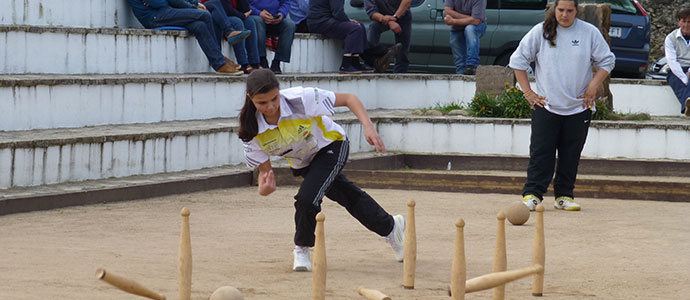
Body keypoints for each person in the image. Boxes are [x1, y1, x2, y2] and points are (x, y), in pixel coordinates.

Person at [238, 69, 405, 271]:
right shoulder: (250, 130)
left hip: (332, 145)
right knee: (349, 196)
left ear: (279, 91)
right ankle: (391, 227)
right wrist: (264, 189)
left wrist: (368, 126)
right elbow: (265, 174)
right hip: (304, 163)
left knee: (307, 199)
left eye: (274, 99)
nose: (271, 107)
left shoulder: (302, 99)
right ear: (250, 99)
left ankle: (301, 249)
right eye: (262, 103)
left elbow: (350, 99)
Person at [508, 0, 615, 211]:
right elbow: (517, 61)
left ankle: (564, 196)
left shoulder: (589, 32)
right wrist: (528, 93)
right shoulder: (540, 32)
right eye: (560, 10)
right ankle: (533, 194)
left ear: (576, 11)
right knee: (541, 152)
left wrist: (594, 86)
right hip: (546, 105)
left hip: (579, 106)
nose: (564, 15)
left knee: (571, 153)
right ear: (553, 10)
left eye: (569, 11)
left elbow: (607, 61)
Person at [127, 0, 243, 74]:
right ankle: (219, 62)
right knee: (205, 15)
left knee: (199, 26)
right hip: (154, 17)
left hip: (165, 11)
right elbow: (158, 3)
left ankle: (218, 58)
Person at [307, 0, 401, 73]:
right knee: (354, 28)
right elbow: (337, 12)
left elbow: (336, 13)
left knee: (360, 26)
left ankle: (356, 63)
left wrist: (347, 20)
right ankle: (346, 64)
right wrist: (347, 20)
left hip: (320, 21)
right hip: (321, 22)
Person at [203, 0, 262, 73]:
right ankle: (243, 63)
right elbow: (226, 9)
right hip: (216, 14)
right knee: (237, 22)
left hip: (230, 14)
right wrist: (242, 16)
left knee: (250, 21)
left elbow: (246, 9)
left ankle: (254, 62)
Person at [248, 0, 296, 74]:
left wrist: (281, 14)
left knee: (290, 25)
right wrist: (259, 13)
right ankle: (262, 59)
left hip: (274, 18)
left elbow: (286, 2)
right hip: (255, 16)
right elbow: (244, 4)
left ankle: (277, 62)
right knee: (258, 21)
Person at [364, 0, 412, 73]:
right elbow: (372, 12)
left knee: (403, 52)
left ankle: (399, 76)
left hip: (402, 15)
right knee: (373, 28)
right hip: (382, 17)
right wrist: (389, 21)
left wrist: (395, 17)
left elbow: (407, 1)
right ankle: (373, 64)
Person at [443, 0, 486, 75]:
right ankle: (460, 74)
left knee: (470, 29)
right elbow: (448, 11)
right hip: (457, 27)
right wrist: (470, 18)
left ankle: (472, 65)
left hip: (476, 26)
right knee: (455, 43)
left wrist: (454, 21)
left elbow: (476, 21)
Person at [664, 8, 690, 117]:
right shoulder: (670, 38)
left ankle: (686, 108)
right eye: (684, 21)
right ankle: (687, 104)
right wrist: (685, 78)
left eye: (689, 22)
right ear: (679, 22)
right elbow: (672, 61)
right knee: (674, 78)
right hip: (678, 68)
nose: (686, 25)